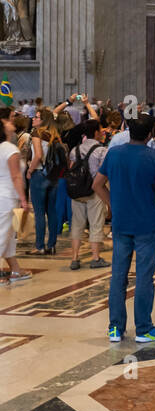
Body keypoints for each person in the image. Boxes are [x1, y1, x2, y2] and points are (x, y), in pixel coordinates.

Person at [93, 116, 155, 343]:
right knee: (144, 277)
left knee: (118, 276)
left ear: (129, 132)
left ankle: (115, 328)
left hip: (121, 223)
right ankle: (144, 328)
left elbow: (96, 184)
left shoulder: (115, 153)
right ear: (149, 135)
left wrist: (112, 204)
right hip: (147, 223)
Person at [67, 120, 108, 271]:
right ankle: (95, 258)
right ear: (96, 133)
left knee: (77, 223)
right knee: (96, 223)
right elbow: (104, 172)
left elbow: (71, 169)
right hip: (95, 191)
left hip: (77, 191)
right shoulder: (102, 151)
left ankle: (74, 258)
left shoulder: (75, 150)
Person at [25, 124, 66, 256]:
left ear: (43, 120)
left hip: (39, 174)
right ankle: (52, 245)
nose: (34, 119)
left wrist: (29, 170)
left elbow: (38, 156)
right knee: (51, 211)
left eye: (37, 116)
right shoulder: (54, 135)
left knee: (39, 212)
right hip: (52, 175)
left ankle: (40, 246)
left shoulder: (38, 133)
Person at [0, 110, 31, 284]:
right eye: (7, 121)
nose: (11, 122)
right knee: (3, 235)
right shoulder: (10, 149)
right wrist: (24, 199)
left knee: (9, 236)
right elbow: (16, 176)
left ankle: (16, 271)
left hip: (3, 195)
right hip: (7, 197)